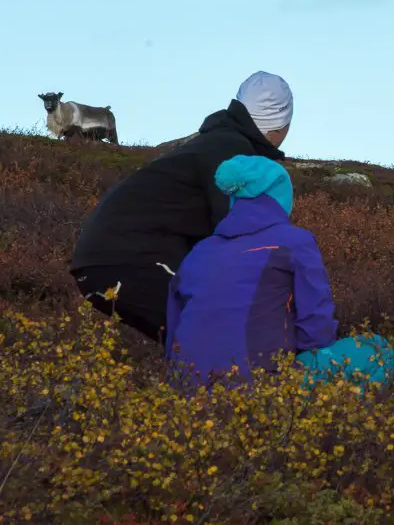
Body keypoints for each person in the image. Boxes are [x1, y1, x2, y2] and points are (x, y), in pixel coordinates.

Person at [70, 71, 295, 343]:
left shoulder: (214, 143)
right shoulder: (233, 153)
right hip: (132, 258)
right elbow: (238, 236)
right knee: (219, 335)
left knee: (198, 339)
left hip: (101, 260)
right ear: (280, 126)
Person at [164, 154, 394, 389]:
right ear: (279, 195)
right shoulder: (295, 242)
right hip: (264, 388)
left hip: (188, 392)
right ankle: (331, 421)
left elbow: (173, 329)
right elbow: (316, 328)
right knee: (377, 349)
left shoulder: (199, 252)